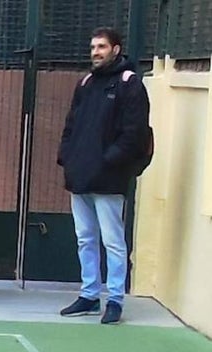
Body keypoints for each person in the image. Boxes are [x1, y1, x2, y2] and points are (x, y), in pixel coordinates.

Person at [57, 26, 151, 326]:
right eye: (93, 47)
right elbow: (71, 127)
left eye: (101, 46)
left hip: (109, 178)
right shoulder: (85, 83)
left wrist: (108, 161)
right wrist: (67, 159)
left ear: (116, 49)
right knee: (85, 238)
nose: (95, 52)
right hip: (80, 176)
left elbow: (134, 134)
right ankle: (88, 295)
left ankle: (115, 300)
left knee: (112, 241)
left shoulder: (129, 84)